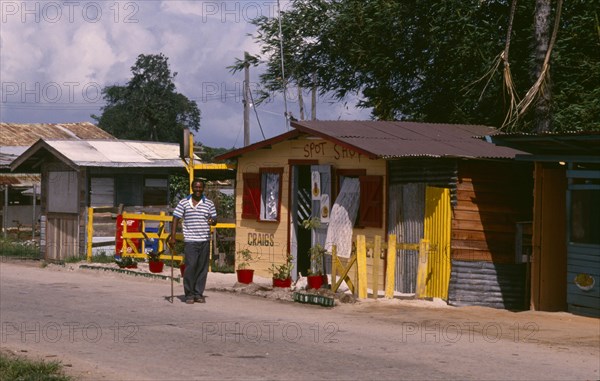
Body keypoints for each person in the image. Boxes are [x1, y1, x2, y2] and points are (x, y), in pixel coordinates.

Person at [169, 178, 217, 304]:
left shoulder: (209, 203)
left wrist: (212, 221)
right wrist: (173, 237)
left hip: (205, 239)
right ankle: (189, 294)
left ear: (203, 188)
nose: (198, 189)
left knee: (202, 268)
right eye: (196, 187)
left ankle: (198, 293)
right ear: (192, 188)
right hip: (190, 240)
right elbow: (175, 219)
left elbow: (214, 219)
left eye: (200, 187)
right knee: (190, 267)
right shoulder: (184, 202)